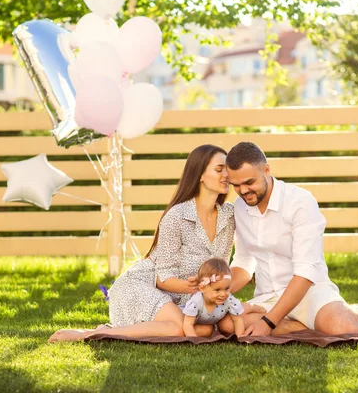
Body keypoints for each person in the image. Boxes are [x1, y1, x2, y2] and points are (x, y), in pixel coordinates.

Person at [49, 144, 235, 342]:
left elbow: (222, 269)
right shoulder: (176, 216)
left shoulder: (228, 215)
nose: (226, 175)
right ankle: (91, 334)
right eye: (218, 169)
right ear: (200, 175)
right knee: (180, 329)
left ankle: (110, 330)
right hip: (142, 285)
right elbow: (163, 278)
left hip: (182, 299)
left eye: (227, 169)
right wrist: (198, 287)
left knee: (202, 331)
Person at [222, 142, 358, 337]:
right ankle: (301, 326)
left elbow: (305, 272)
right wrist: (214, 289)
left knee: (344, 327)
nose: (243, 190)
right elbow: (244, 264)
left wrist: (268, 322)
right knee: (227, 324)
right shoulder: (239, 207)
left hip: (309, 293)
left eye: (249, 182)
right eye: (236, 185)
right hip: (268, 297)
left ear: (266, 170)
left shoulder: (300, 201)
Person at [181, 257, 249, 337]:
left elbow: (237, 320)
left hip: (206, 323)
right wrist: (194, 340)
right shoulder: (196, 301)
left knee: (210, 329)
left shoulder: (229, 299)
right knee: (182, 330)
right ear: (202, 288)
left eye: (227, 288)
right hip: (186, 319)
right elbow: (188, 324)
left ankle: (254, 307)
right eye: (217, 290)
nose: (223, 294)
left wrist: (240, 337)